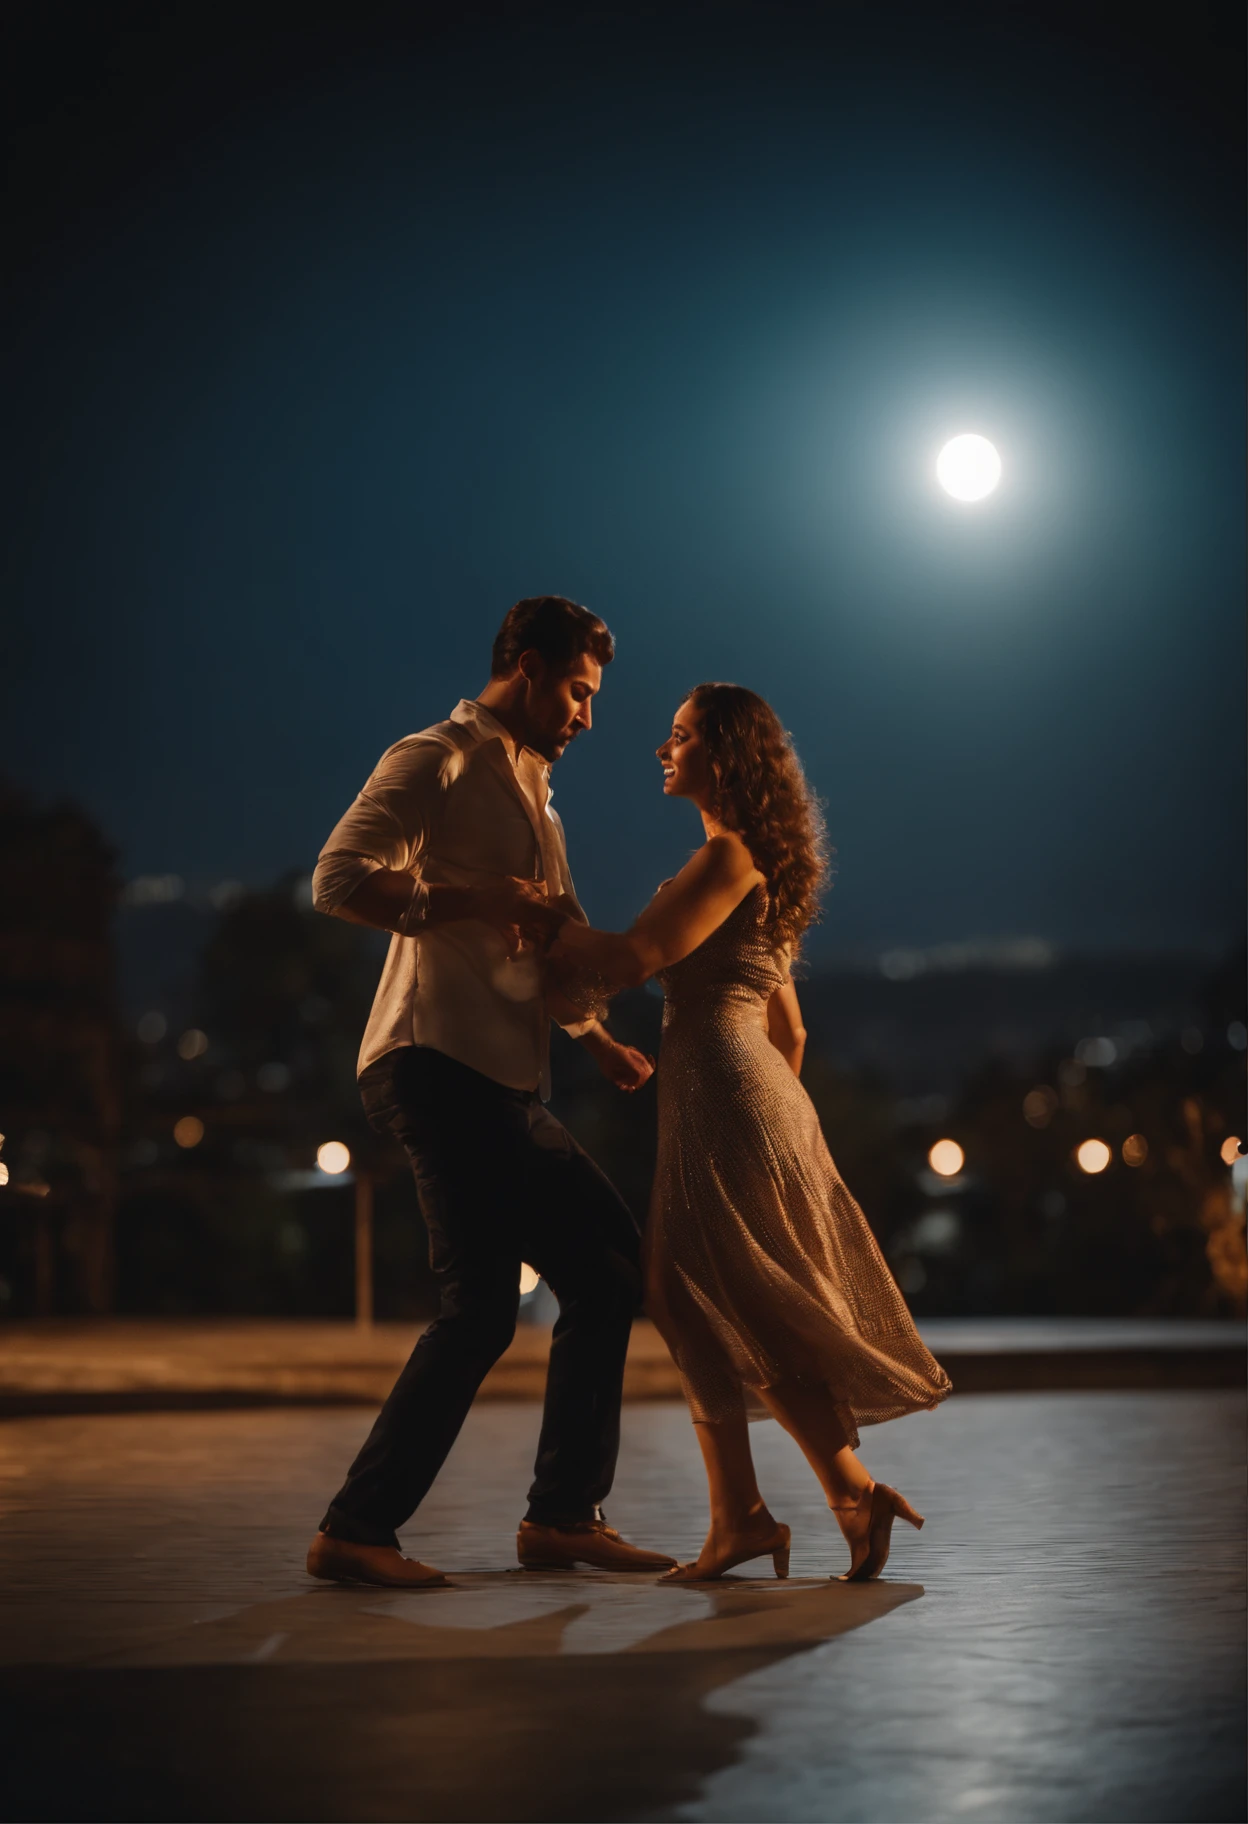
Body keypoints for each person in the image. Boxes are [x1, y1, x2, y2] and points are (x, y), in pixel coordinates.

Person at [304, 596, 674, 1588]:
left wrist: (593, 1036)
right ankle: (356, 1530)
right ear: (525, 662)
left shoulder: (537, 794)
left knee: (603, 1272)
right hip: (432, 1060)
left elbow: (538, 946)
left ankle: (561, 1518)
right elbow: (337, 880)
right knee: (481, 1309)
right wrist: (472, 896)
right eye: (579, 691)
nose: (590, 716)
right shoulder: (437, 758)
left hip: (500, 1079)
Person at [545, 682, 952, 1583]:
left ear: (722, 757)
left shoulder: (726, 861)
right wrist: (775, 1123)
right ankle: (793, 1505)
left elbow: (631, 960)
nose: (663, 747)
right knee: (717, 1294)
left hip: (724, 1089)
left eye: (682, 736)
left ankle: (769, 1511)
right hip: (752, 1090)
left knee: (691, 1288)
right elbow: (792, 1033)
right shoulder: (753, 863)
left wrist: (540, 923)